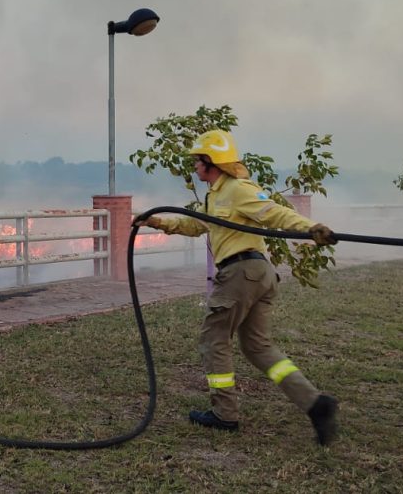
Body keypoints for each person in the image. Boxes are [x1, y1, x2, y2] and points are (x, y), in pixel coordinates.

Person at [135, 129, 341, 446]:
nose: (194, 167)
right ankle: (316, 404)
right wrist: (159, 222)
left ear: (211, 161)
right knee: (257, 347)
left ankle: (224, 414)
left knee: (213, 338)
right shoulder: (216, 195)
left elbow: (273, 211)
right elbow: (195, 224)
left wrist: (310, 228)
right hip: (256, 275)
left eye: (197, 161)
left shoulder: (238, 189)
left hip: (241, 273)